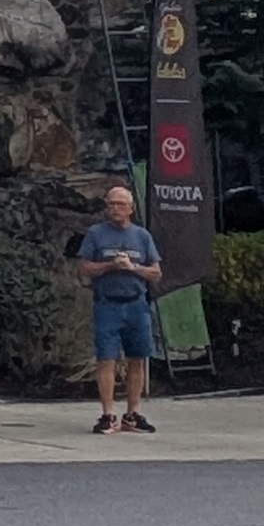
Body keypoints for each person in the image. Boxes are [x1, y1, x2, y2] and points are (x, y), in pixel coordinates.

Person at [72, 180, 165, 433]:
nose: (116, 208)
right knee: (106, 359)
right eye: (111, 204)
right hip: (107, 305)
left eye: (121, 204)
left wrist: (133, 268)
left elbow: (156, 272)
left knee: (138, 358)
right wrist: (110, 265)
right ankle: (107, 414)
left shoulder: (141, 236)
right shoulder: (96, 234)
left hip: (136, 304)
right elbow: (85, 267)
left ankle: (133, 413)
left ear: (130, 208)